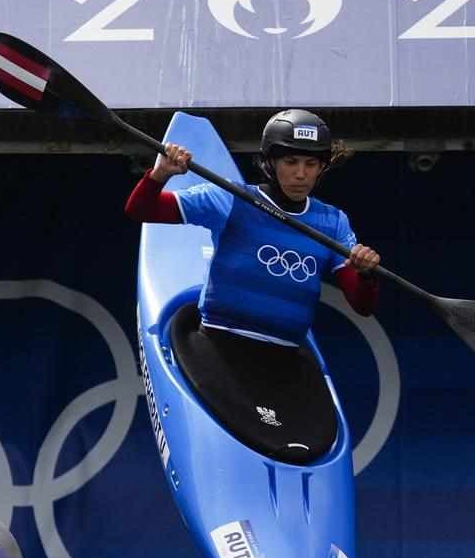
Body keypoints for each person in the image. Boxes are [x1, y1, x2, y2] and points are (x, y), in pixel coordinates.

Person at [126, 109, 381, 460]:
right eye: (290, 162)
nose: (301, 174)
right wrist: (160, 174)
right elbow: (141, 210)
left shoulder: (333, 222)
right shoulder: (231, 199)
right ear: (270, 163)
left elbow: (362, 305)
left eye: (311, 164)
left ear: (322, 167)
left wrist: (365, 273)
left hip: (284, 363)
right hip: (221, 348)